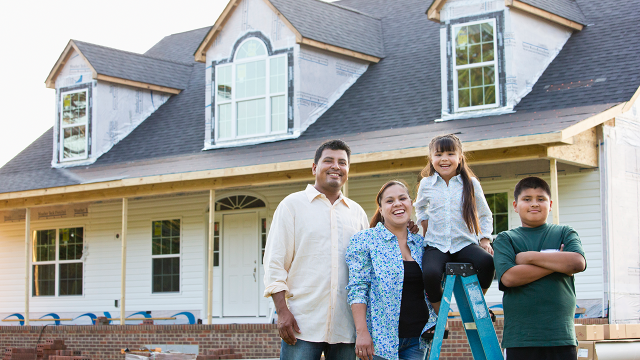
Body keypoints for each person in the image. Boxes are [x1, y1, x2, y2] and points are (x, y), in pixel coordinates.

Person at [264, 140, 421, 360]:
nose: (336, 166)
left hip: (346, 328)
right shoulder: (292, 206)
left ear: (347, 170)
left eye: (342, 162)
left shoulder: (355, 212)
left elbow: (371, 261)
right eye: (328, 161)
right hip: (303, 323)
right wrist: (282, 312)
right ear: (314, 167)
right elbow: (274, 264)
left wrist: (408, 226)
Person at [493, 177, 586, 360]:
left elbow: (577, 263)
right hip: (520, 339)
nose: (534, 204)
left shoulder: (565, 232)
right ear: (515, 205)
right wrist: (558, 262)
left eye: (541, 199)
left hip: (561, 337)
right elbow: (510, 278)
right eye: (527, 199)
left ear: (550, 204)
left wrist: (529, 257)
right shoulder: (506, 238)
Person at [346, 180, 437, 360]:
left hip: (418, 340)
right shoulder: (365, 240)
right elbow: (357, 289)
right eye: (389, 201)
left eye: (402, 198)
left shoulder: (421, 244)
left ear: (410, 203)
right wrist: (362, 332)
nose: (397, 203)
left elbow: (432, 287)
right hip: (379, 343)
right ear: (381, 209)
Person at [414, 134, 495, 315]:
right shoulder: (427, 184)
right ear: (431, 158)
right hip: (436, 244)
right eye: (438, 154)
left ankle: (477, 304)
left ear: (459, 158)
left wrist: (485, 240)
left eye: (450, 154)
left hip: (464, 243)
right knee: (429, 274)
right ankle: (440, 312)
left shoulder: (471, 184)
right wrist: (424, 224)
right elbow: (419, 208)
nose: (444, 159)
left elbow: (484, 213)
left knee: (487, 262)